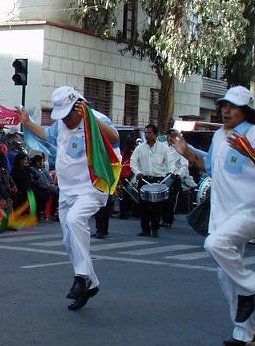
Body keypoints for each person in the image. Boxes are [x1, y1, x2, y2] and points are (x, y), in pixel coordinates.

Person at [169, 86, 255, 346]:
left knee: (215, 245)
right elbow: (208, 167)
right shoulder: (220, 136)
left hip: (249, 210)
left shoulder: (254, 134)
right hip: (222, 213)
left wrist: (249, 153)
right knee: (223, 273)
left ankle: (251, 286)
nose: (226, 111)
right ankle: (246, 330)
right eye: (223, 105)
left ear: (246, 110)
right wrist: (186, 151)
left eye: (233, 106)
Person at [20, 86, 119, 311]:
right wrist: (27, 123)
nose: (63, 120)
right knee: (68, 240)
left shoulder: (94, 119)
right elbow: (47, 135)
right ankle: (91, 283)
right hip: (67, 190)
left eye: (66, 115)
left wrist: (91, 117)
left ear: (79, 107)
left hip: (91, 187)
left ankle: (81, 278)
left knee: (75, 221)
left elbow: (114, 138)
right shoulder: (61, 125)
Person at [130, 123, 173, 237]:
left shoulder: (163, 148)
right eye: (146, 133)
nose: (147, 135)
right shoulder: (140, 148)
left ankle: (155, 229)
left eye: (149, 133)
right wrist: (137, 172)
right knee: (143, 206)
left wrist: (172, 172)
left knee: (156, 206)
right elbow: (133, 161)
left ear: (155, 134)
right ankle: (145, 229)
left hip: (158, 180)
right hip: (144, 180)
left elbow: (170, 161)